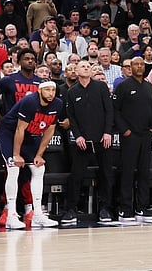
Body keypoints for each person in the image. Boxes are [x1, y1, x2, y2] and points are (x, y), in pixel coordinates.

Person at [0, 80, 63, 229]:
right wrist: (16, 155)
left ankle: (38, 213)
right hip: (9, 132)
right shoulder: (29, 102)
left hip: (31, 136)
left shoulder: (58, 104)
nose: (51, 93)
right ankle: (11, 215)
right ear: (39, 91)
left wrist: (39, 154)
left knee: (39, 168)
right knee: (13, 168)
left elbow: (50, 130)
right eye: (47, 90)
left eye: (53, 90)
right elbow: (19, 129)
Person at [62, 60, 115, 224]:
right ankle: (71, 209)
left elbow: (109, 111)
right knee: (76, 176)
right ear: (76, 72)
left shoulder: (100, 87)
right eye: (82, 66)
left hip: (102, 139)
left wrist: (107, 132)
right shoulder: (72, 92)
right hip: (82, 141)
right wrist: (77, 135)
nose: (86, 68)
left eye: (88, 66)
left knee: (106, 174)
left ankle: (106, 209)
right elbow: (71, 117)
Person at [114, 57, 152, 222]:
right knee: (127, 172)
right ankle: (125, 209)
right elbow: (115, 110)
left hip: (146, 135)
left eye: (141, 64)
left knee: (144, 172)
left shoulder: (149, 87)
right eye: (135, 64)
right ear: (130, 68)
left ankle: (142, 208)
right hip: (130, 136)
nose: (139, 67)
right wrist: (124, 130)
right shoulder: (123, 86)